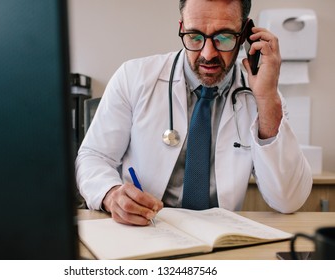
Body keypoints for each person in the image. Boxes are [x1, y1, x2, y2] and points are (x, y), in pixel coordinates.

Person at [75, 0, 312, 226]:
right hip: (142, 231)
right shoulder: (133, 77)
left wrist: (266, 100)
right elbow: (93, 157)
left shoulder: (264, 97)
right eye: (195, 36)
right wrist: (110, 193)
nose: (208, 54)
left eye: (224, 37)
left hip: (221, 242)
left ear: (244, 36)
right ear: (181, 28)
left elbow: (288, 200)